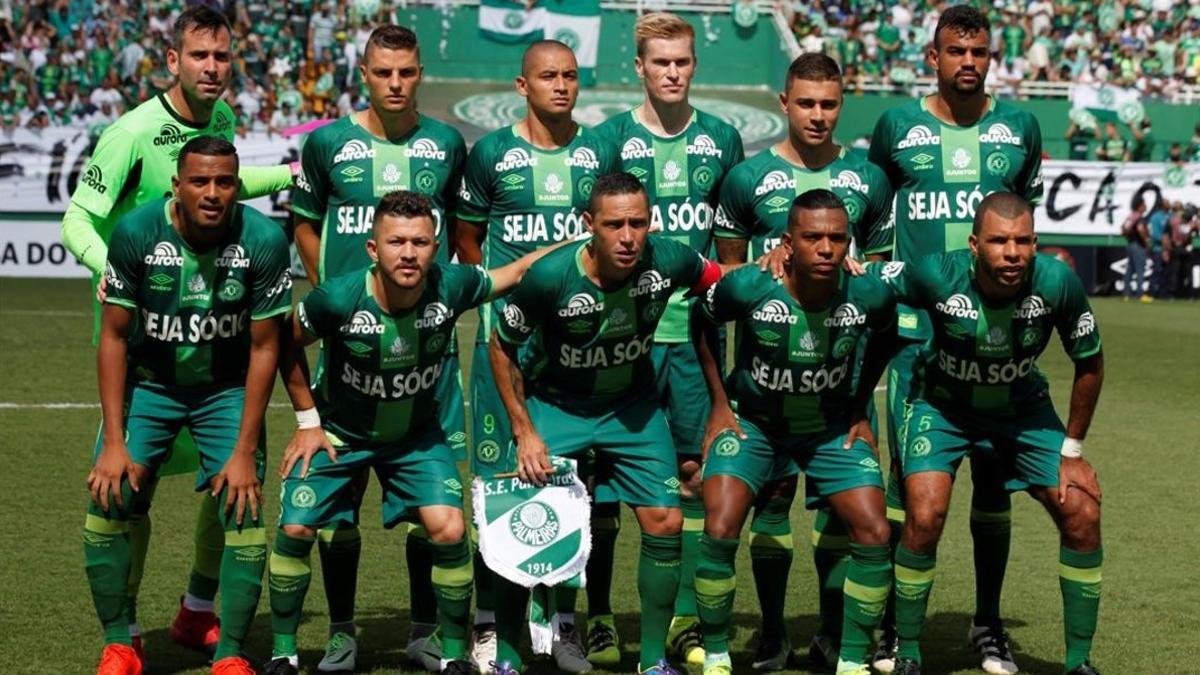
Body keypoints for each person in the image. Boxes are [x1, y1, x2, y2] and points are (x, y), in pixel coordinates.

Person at [62, 6, 295, 663]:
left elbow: (219, 182)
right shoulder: (131, 132)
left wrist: (288, 176)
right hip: (146, 336)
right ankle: (126, 634)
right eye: (200, 57)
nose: (213, 69)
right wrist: (121, 273)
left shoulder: (217, 121)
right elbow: (77, 220)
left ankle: (198, 609)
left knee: (226, 484)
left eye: (222, 58)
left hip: (213, 339)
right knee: (125, 491)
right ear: (173, 60)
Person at [263, 190, 561, 675]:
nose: (408, 253)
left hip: (415, 437)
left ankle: (448, 653)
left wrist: (587, 242)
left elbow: (523, 270)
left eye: (420, 242)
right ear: (372, 250)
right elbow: (283, 344)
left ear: (436, 247)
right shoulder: (338, 297)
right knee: (296, 527)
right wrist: (307, 421)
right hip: (340, 433)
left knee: (450, 528)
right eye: (396, 241)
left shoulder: (453, 285)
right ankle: (284, 653)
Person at [489, 172, 723, 675]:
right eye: (614, 224)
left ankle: (655, 660)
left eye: (638, 223)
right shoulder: (551, 277)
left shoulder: (670, 258)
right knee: (518, 525)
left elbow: (721, 280)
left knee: (667, 519)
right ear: (587, 224)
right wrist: (524, 429)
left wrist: (775, 265)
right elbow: (500, 346)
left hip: (632, 410)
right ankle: (508, 656)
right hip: (558, 406)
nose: (628, 236)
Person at [868, 5, 1044, 673]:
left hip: (994, 339)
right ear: (932, 57)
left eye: (978, 52)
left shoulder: (1019, 127)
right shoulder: (897, 126)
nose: (967, 62)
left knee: (995, 486)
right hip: (917, 340)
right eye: (954, 51)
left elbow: (1021, 216)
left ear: (990, 57)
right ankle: (889, 622)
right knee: (909, 490)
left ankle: (989, 623)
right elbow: (879, 215)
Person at [289, 24, 468, 672]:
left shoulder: (447, 143)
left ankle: (424, 629)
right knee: (336, 505)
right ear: (363, 74)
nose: (396, 84)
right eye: (383, 73)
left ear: (421, 73)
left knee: (434, 504)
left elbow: (463, 237)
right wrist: (330, 294)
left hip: (427, 356)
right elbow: (303, 221)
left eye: (407, 73)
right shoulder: (329, 143)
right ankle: (341, 630)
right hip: (351, 351)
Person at [714, 51, 893, 671]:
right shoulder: (747, 178)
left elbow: (877, 285)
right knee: (769, 505)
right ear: (783, 104)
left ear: (841, 106)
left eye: (829, 104)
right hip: (766, 387)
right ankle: (770, 631)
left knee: (842, 512)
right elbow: (728, 279)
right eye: (807, 103)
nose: (818, 116)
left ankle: (832, 629)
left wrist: (863, 396)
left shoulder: (869, 181)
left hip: (836, 387)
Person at [884, 193, 1104, 675]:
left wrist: (1073, 451)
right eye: (999, 241)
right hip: (942, 405)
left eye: (1023, 241)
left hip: (1021, 409)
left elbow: (1089, 361)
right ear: (973, 245)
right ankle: (907, 652)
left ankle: (1078, 663)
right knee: (924, 513)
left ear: (1036, 243)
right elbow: (866, 285)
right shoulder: (935, 272)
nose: (1012, 253)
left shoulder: (1057, 282)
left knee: (1083, 510)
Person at [454, 39, 618, 674]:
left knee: (572, 486)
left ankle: (563, 623)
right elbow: (469, 242)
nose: (560, 86)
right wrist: (497, 302)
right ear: (521, 87)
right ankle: (495, 625)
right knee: (500, 486)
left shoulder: (601, 149)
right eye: (547, 76)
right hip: (504, 349)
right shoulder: (491, 153)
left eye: (570, 76)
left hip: (580, 352)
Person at [589, 12, 744, 669]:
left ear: (693, 66)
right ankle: (596, 615)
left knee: (690, 472)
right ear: (640, 68)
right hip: (621, 339)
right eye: (661, 62)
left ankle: (681, 618)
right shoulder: (611, 139)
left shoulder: (722, 139)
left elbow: (730, 254)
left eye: (682, 62)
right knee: (600, 478)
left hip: (694, 341)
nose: (673, 72)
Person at [692, 189, 896, 675]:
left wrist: (860, 407)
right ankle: (719, 654)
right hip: (756, 424)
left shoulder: (868, 292)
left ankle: (849, 659)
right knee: (720, 523)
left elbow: (889, 333)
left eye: (837, 239)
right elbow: (701, 319)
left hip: (829, 428)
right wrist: (720, 405)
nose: (826, 248)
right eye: (813, 238)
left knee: (874, 528)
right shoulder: (751, 286)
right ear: (788, 243)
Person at [1120, 200, 1152, 302]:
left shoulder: (1131, 216)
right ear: (1140, 206)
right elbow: (1141, 229)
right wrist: (1146, 240)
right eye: (1144, 205)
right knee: (1140, 270)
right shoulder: (1140, 218)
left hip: (1130, 244)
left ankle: (1126, 294)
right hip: (1138, 245)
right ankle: (1140, 294)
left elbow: (1123, 229)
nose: (1146, 207)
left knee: (1129, 270)